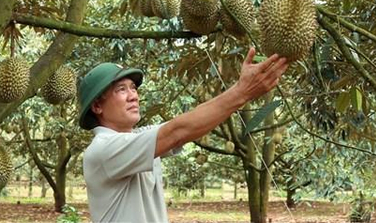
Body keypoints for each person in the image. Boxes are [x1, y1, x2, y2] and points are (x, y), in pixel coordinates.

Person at [77, 47, 289, 223]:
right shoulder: (103, 150)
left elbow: (188, 125)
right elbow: (178, 132)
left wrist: (239, 95)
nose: (133, 96)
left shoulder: (137, 139)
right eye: (121, 90)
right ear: (97, 106)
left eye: (133, 88)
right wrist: (242, 92)